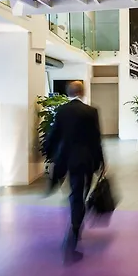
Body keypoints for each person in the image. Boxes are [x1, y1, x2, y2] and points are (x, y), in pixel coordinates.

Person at [45, 81, 105, 263]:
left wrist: (49, 153)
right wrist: (101, 161)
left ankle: (75, 220)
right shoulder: (91, 111)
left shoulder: (62, 111)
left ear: (69, 93)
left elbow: (54, 134)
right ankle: (75, 229)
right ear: (82, 92)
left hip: (67, 159)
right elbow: (96, 139)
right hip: (86, 159)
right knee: (81, 192)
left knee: (75, 192)